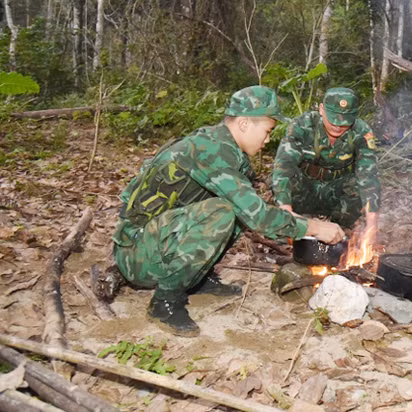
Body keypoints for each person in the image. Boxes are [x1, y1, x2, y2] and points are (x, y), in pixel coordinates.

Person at [113, 86, 344, 337]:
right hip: (136, 255)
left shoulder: (229, 151)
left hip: (158, 241)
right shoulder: (211, 151)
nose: (267, 140)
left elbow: (254, 205)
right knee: (222, 212)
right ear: (244, 123)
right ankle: (165, 301)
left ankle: (198, 278)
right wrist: (315, 228)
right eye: (267, 131)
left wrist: (293, 214)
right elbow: (259, 217)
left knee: (234, 210)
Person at [272, 87, 380, 237]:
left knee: (356, 185)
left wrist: (372, 226)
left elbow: (368, 177)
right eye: (333, 119)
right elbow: (283, 167)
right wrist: (286, 213)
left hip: (337, 190)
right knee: (285, 180)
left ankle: (343, 226)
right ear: (321, 109)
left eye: (345, 121)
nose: (337, 126)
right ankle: (293, 221)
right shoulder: (302, 126)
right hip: (305, 188)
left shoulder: (362, 132)